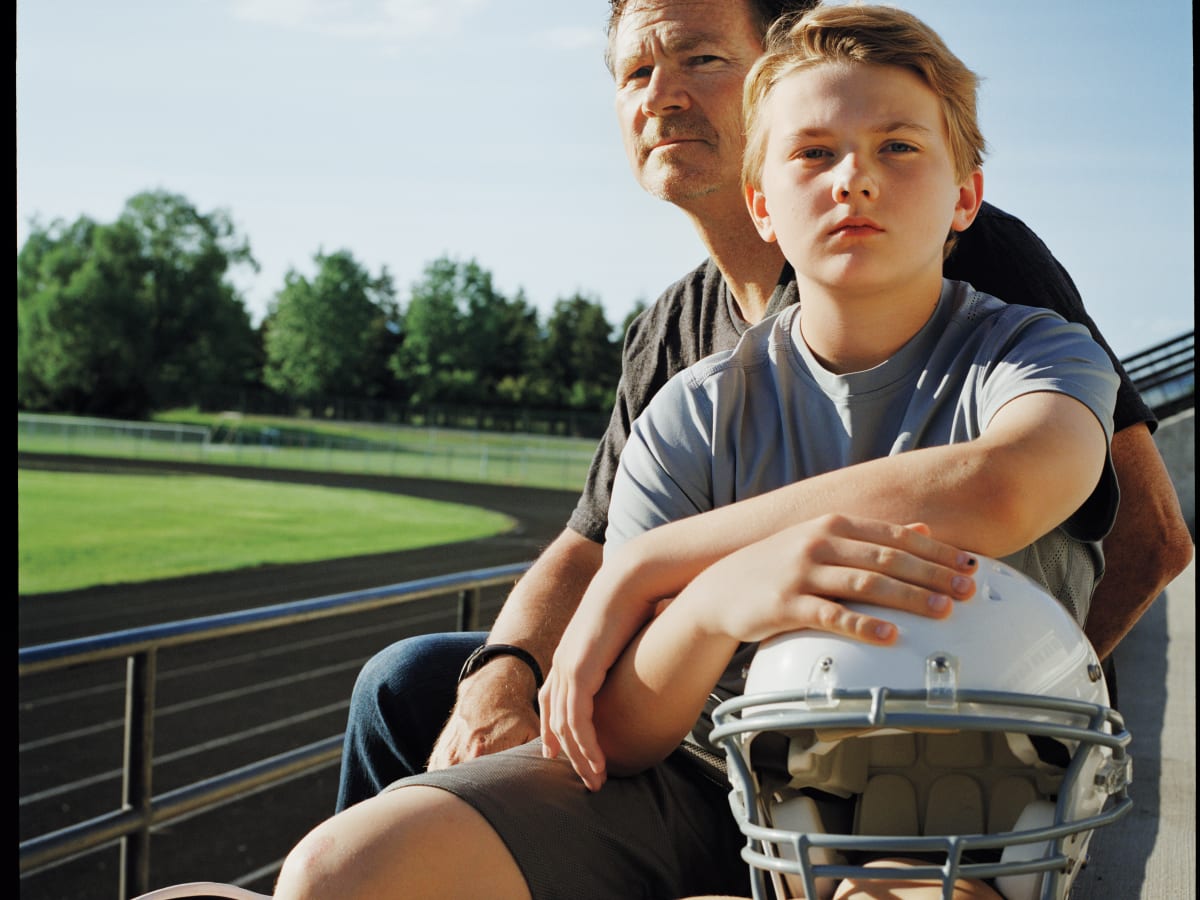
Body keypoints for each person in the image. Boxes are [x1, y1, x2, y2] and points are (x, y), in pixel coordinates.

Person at [275, 5, 1121, 897]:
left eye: (898, 149)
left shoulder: (1033, 350)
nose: (854, 181)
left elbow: (998, 488)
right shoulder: (692, 397)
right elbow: (625, 725)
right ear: (763, 200)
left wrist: (655, 564)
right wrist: (718, 597)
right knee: (340, 864)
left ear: (966, 198)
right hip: (714, 774)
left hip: (953, 791)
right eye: (812, 153)